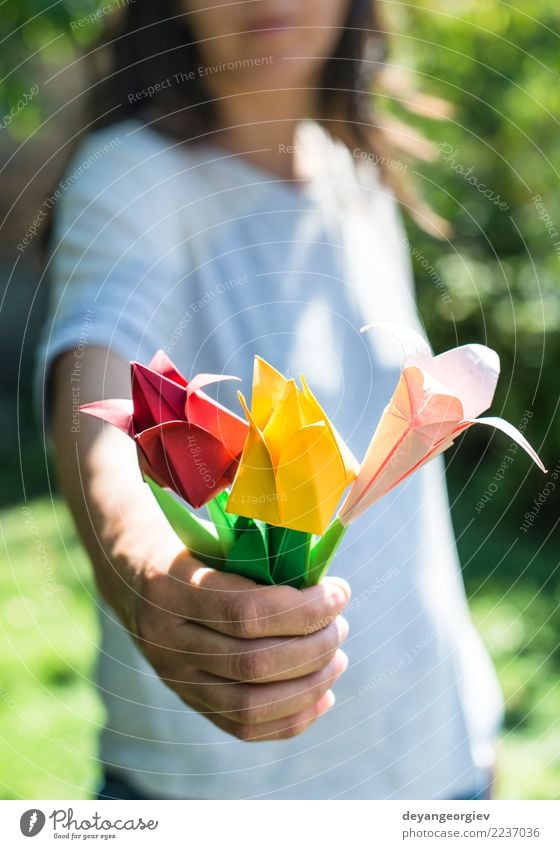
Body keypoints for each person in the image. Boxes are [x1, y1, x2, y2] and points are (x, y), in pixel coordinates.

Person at [36, 0, 502, 800]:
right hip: (226, 790)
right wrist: (154, 575)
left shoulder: (351, 170)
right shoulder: (133, 177)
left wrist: (471, 747)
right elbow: (95, 386)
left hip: (438, 754)